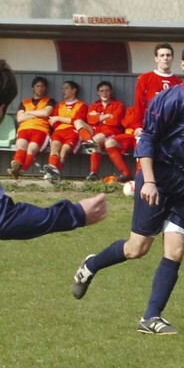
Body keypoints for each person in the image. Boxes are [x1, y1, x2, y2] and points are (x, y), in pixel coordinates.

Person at [71, 39, 184, 336]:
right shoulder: (171, 99)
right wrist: (150, 180)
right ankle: (90, 265)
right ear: (183, 65)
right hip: (158, 177)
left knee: (176, 250)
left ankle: (151, 317)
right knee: (137, 249)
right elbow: (147, 140)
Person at [0, 60, 108, 239]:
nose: (63, 91)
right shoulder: (52, 105)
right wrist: (75, 214)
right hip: (54, 132)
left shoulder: (76, 105)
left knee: (52, 147)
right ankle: (40, 169)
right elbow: (5, 218)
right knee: (50, 145)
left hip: (66, 133)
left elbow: (71, 120)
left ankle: (44, 170)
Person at [104, 43, 182, 183]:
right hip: (148, 127)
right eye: (162, 55)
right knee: (143, 156)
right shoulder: (145, 78)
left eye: (168, 55)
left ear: (173, 58)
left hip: (169, 130)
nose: (165, 58)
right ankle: (140, 184)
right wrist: (138, 126)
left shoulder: (178, 82)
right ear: (156, 58)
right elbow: (139, 105)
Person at [75, 81, 125, 181]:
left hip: (111, 131)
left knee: (96, 139)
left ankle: (93, 172)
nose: (104, 93)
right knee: (78, 121)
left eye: (107, 91)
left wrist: (98, 117)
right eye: (102, 91)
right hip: (96, 130)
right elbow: (90, 120)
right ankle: (89, 141)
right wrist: (106, 116)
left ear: (111, 92)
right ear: (98, 93)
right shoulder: (94, 105)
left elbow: (115, 121)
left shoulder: (118, 105)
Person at [7, 76, 55, 179]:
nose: (40, 88)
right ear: (33, 88)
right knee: (21, 146)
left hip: (41, 129)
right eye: (37, 86)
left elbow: (46, 112)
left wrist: (28, 113)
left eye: (42, 86)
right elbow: (20, 118)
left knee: (32, 149)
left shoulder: (49, 101)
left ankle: (20, 171)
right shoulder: (25, 102)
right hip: (24, 128)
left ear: (45, 88)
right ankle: (17, 166)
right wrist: (38, 114)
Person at [43, 81, 88, 182]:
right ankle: (53, 172)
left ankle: (54, 172)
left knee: (64, 150)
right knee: (54, 146)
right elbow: (53, 122)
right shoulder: (59, 105)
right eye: (62, 88)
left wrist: (59, 118)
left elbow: (77, 121)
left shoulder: (81, 105)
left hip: (73, 132)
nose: (63, 91)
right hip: (59, 131)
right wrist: (62, 120)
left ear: (74, 91)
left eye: (66, 88)